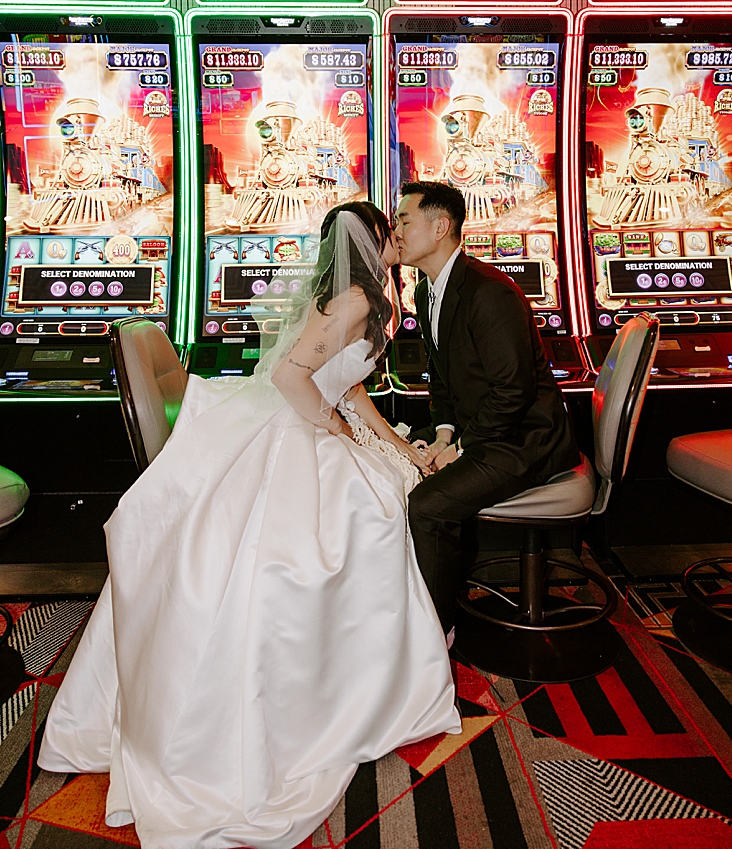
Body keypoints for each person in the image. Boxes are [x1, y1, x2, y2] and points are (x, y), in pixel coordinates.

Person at [37, 202, 457, 849]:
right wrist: (338, 432)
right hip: (291, 425)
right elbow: (294, 378)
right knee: (357, 517)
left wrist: (394, 448)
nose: (395, 236)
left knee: (384, 488)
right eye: (387, 230)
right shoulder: (350, 299)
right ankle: (332, 686)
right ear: (368, 243)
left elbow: (352, 388)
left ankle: (363, 673)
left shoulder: (369, 298)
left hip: (313, 415)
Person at [397, 181, 582, 639]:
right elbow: (439, 376)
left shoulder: (488, 292)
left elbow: (512, 393)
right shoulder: (425, 291)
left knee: (428, 505)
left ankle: (436, 634)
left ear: (441, 227)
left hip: (525, 439)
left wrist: (458, 448)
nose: (396, 230)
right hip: (482, 428)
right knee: (394, 457)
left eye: (404, 220)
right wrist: (442, 433)